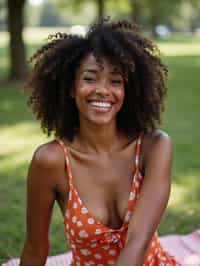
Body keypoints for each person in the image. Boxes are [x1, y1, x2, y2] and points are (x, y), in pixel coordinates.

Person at [20, 19, 180, 266]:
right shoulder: (52, 161)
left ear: (128, 90)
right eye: (90, 78)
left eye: (115, 81)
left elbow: (138, 241)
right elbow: (35, 248)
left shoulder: (154, 147)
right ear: (71, 88)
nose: (103, 91)